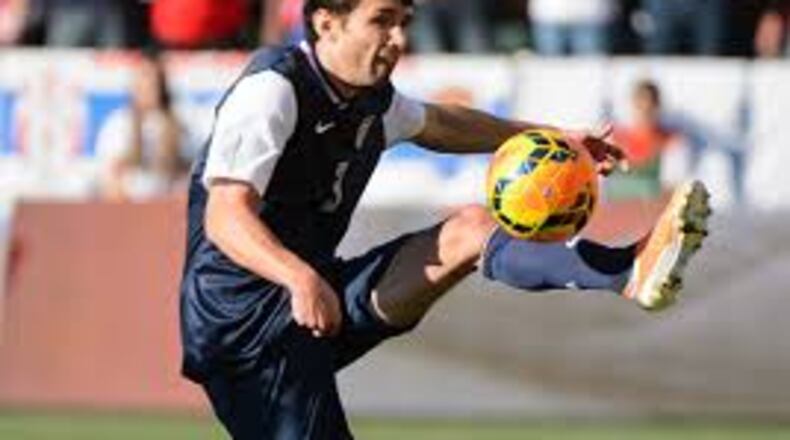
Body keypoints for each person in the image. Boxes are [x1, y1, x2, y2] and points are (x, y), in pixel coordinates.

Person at [178, 1, 711, 438]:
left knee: (470, 231)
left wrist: (555, 137)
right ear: (326, 23)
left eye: (403, 22)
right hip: (240, 328)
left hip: (315, 295)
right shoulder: (273, 90)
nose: (398, 39)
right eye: (381, 20)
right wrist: (297, 276)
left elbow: (442, 124)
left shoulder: (371, 100)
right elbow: (226, 217)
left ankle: (628, 270)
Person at [96, 52, 189, 200]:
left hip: (167, 205)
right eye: (143, 80)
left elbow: (188, 171)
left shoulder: (178, 124)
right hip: (128, 205)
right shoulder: (119, 123)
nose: (149, 87)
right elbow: (111, 175)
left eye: (154, 82)